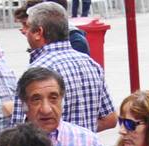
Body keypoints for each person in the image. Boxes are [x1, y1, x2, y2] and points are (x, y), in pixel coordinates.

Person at [16, 2, 114, 133]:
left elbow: (19, 129)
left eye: (27, 27)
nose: (24, 32)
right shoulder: (91, 64)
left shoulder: (37, 71)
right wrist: (83, 133)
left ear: (39, 32)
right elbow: (110, 118)